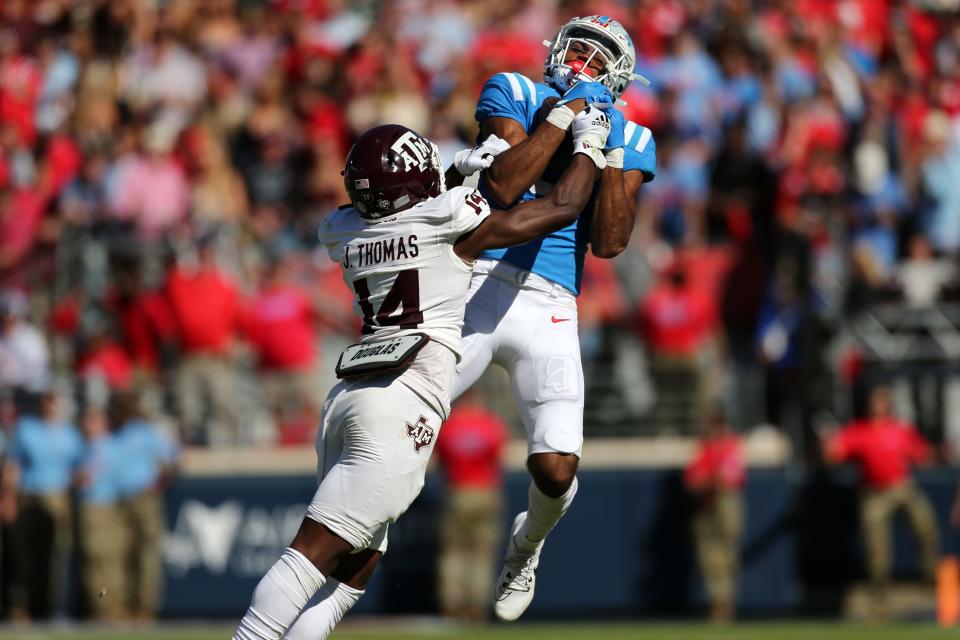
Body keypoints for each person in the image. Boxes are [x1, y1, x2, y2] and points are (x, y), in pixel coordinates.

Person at [233, 116, 609, 640]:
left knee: (355, 562)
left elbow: (399, 216)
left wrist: (455, 176)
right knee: (312, 554)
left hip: (348, 397)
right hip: (401, 403)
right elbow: (560, 208)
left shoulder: (339, 230)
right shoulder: (447, 220)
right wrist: (585, 143)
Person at [451, 15, 657, 621]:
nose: (583, 66)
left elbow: (612, 240)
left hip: (551, 302)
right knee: (415, 403)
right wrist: (567, 118)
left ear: (618, 78)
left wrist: (608, 144)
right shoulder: (515, 90)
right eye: (579, 52)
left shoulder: (633, 134)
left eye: (598, 61)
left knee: (557, 463)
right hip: (480, 279)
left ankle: (526, 547)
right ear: (557, 49)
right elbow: (507, 185)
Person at [823, 385, 940, 615]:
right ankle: (880, 598)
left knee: (926, 526)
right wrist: (829, 443)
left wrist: (933, 454)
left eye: (881, 400)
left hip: (901, 487)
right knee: (877, 548)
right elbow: (833, 455)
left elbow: (924, 455)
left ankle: (930, 580)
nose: (877, 405)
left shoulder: (901, 429)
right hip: (874, 493)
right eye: (874, 401)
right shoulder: (858, 430)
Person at [1, 391, 83, 620]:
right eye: (46, 400)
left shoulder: (69, 434)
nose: (50, 405)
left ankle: (51, 606)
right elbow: (13, 465)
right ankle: (20, 606)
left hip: (58, 498)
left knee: (57, 553)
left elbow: (79, 466)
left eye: (53, 400)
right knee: (23, 554)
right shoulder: (27, 428)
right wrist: (8, 498)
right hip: (29, 496)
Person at [434, 387, 508, 621]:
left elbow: (440, 462)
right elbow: (499, 458)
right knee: (481, 553)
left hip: (458, 491)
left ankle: (452, 604)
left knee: (454, 553)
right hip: (485, 491)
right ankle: (476, 606)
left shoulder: (449, 426)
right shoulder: (490, 424)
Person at [112, 391, 179, 621]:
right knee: (121, 552)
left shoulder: (146, 432)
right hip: (117, 499)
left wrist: (159, 482)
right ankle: (122, 605)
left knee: (146, 552)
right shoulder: (116, 433)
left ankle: (144, 607)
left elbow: (172, 459)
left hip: (142, 497)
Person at [683, 408, 746, 623]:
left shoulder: (731, 445)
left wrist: (708, 480)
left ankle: (725, 603)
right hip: (705, 504)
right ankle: (717, 602)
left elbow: (727, 479)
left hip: (724, 502)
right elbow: (692, 480)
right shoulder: (704, 448)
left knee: (727, 554)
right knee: (709, 556)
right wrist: (707, 480)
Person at [76, 404, 127, 621]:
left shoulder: (99, 447)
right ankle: (112, 610)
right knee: (110, 562)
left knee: (99, 562)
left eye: (91, 420)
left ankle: (105, 612)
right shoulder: (112, 445)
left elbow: (86, 478)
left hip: (98, 508)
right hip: (113, 507)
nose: (86, 425)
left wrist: (73, 477)